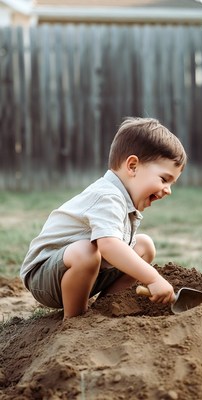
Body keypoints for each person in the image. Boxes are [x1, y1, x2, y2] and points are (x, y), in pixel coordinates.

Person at [21, 117, 187, 319]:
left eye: (172, 184)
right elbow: (108, 245)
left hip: (86, 272)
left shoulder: (124, 201)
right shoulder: (107, 196)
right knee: (86, 251)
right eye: (164, 179)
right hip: (44, 278)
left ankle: (106, 308)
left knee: (144, 246)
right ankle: (75, 320)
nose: (168, 190)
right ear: (133, 166)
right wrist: (153, 278)